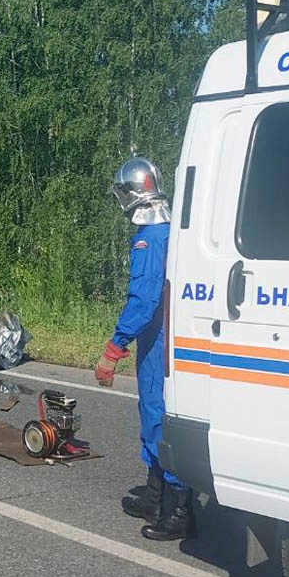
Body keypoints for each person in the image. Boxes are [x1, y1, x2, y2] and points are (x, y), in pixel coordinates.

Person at [95, 156, 194, 541]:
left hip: (157, 339)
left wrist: (115, 345)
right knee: (154, 415)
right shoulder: (169, 228)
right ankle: (156, 496)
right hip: (164, 336)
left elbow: (144, 298)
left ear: (136, 192)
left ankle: (178, 511)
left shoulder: (150, 236)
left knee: (157, 416)